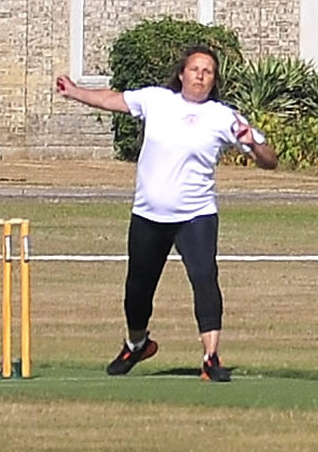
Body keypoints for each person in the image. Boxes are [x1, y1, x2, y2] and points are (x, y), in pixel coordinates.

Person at [55, 45, 278, 382]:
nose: (200, 76)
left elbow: (269, 160)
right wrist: (75, 92)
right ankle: (137, 343)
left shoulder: (223, 117)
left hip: (196, 215)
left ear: (214, 80)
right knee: (138, 289)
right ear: (182, 74)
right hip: (149, 214)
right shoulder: (156, 100)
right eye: (195, 69)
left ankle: (211, 357)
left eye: (208, 71)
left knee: (204, 278)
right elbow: (111, 99)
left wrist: (254, 143)